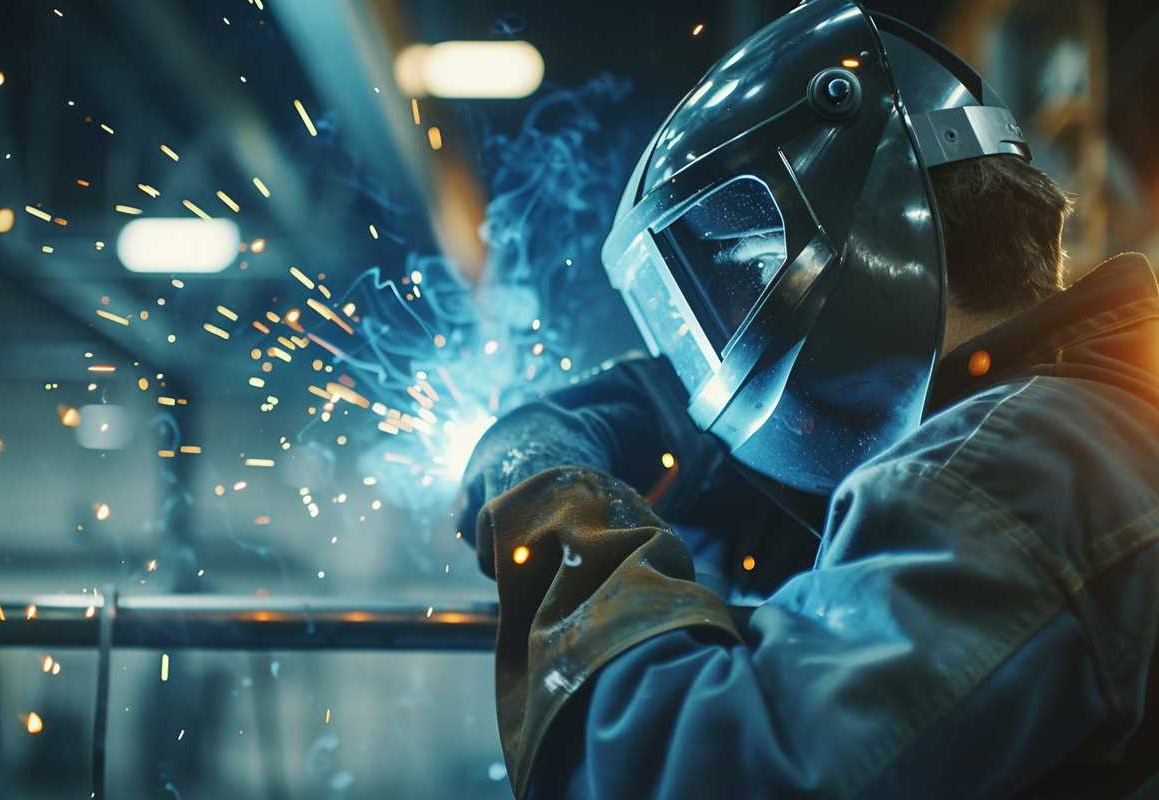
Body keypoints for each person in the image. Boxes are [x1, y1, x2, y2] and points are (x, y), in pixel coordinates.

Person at [457, 1, 1159, 797]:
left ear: (861, 233)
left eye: (745, 272)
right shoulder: (1091, 421)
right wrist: (670, 428)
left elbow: (685, 771)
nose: (723, 353)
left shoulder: (1017, 464)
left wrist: (558, 516)